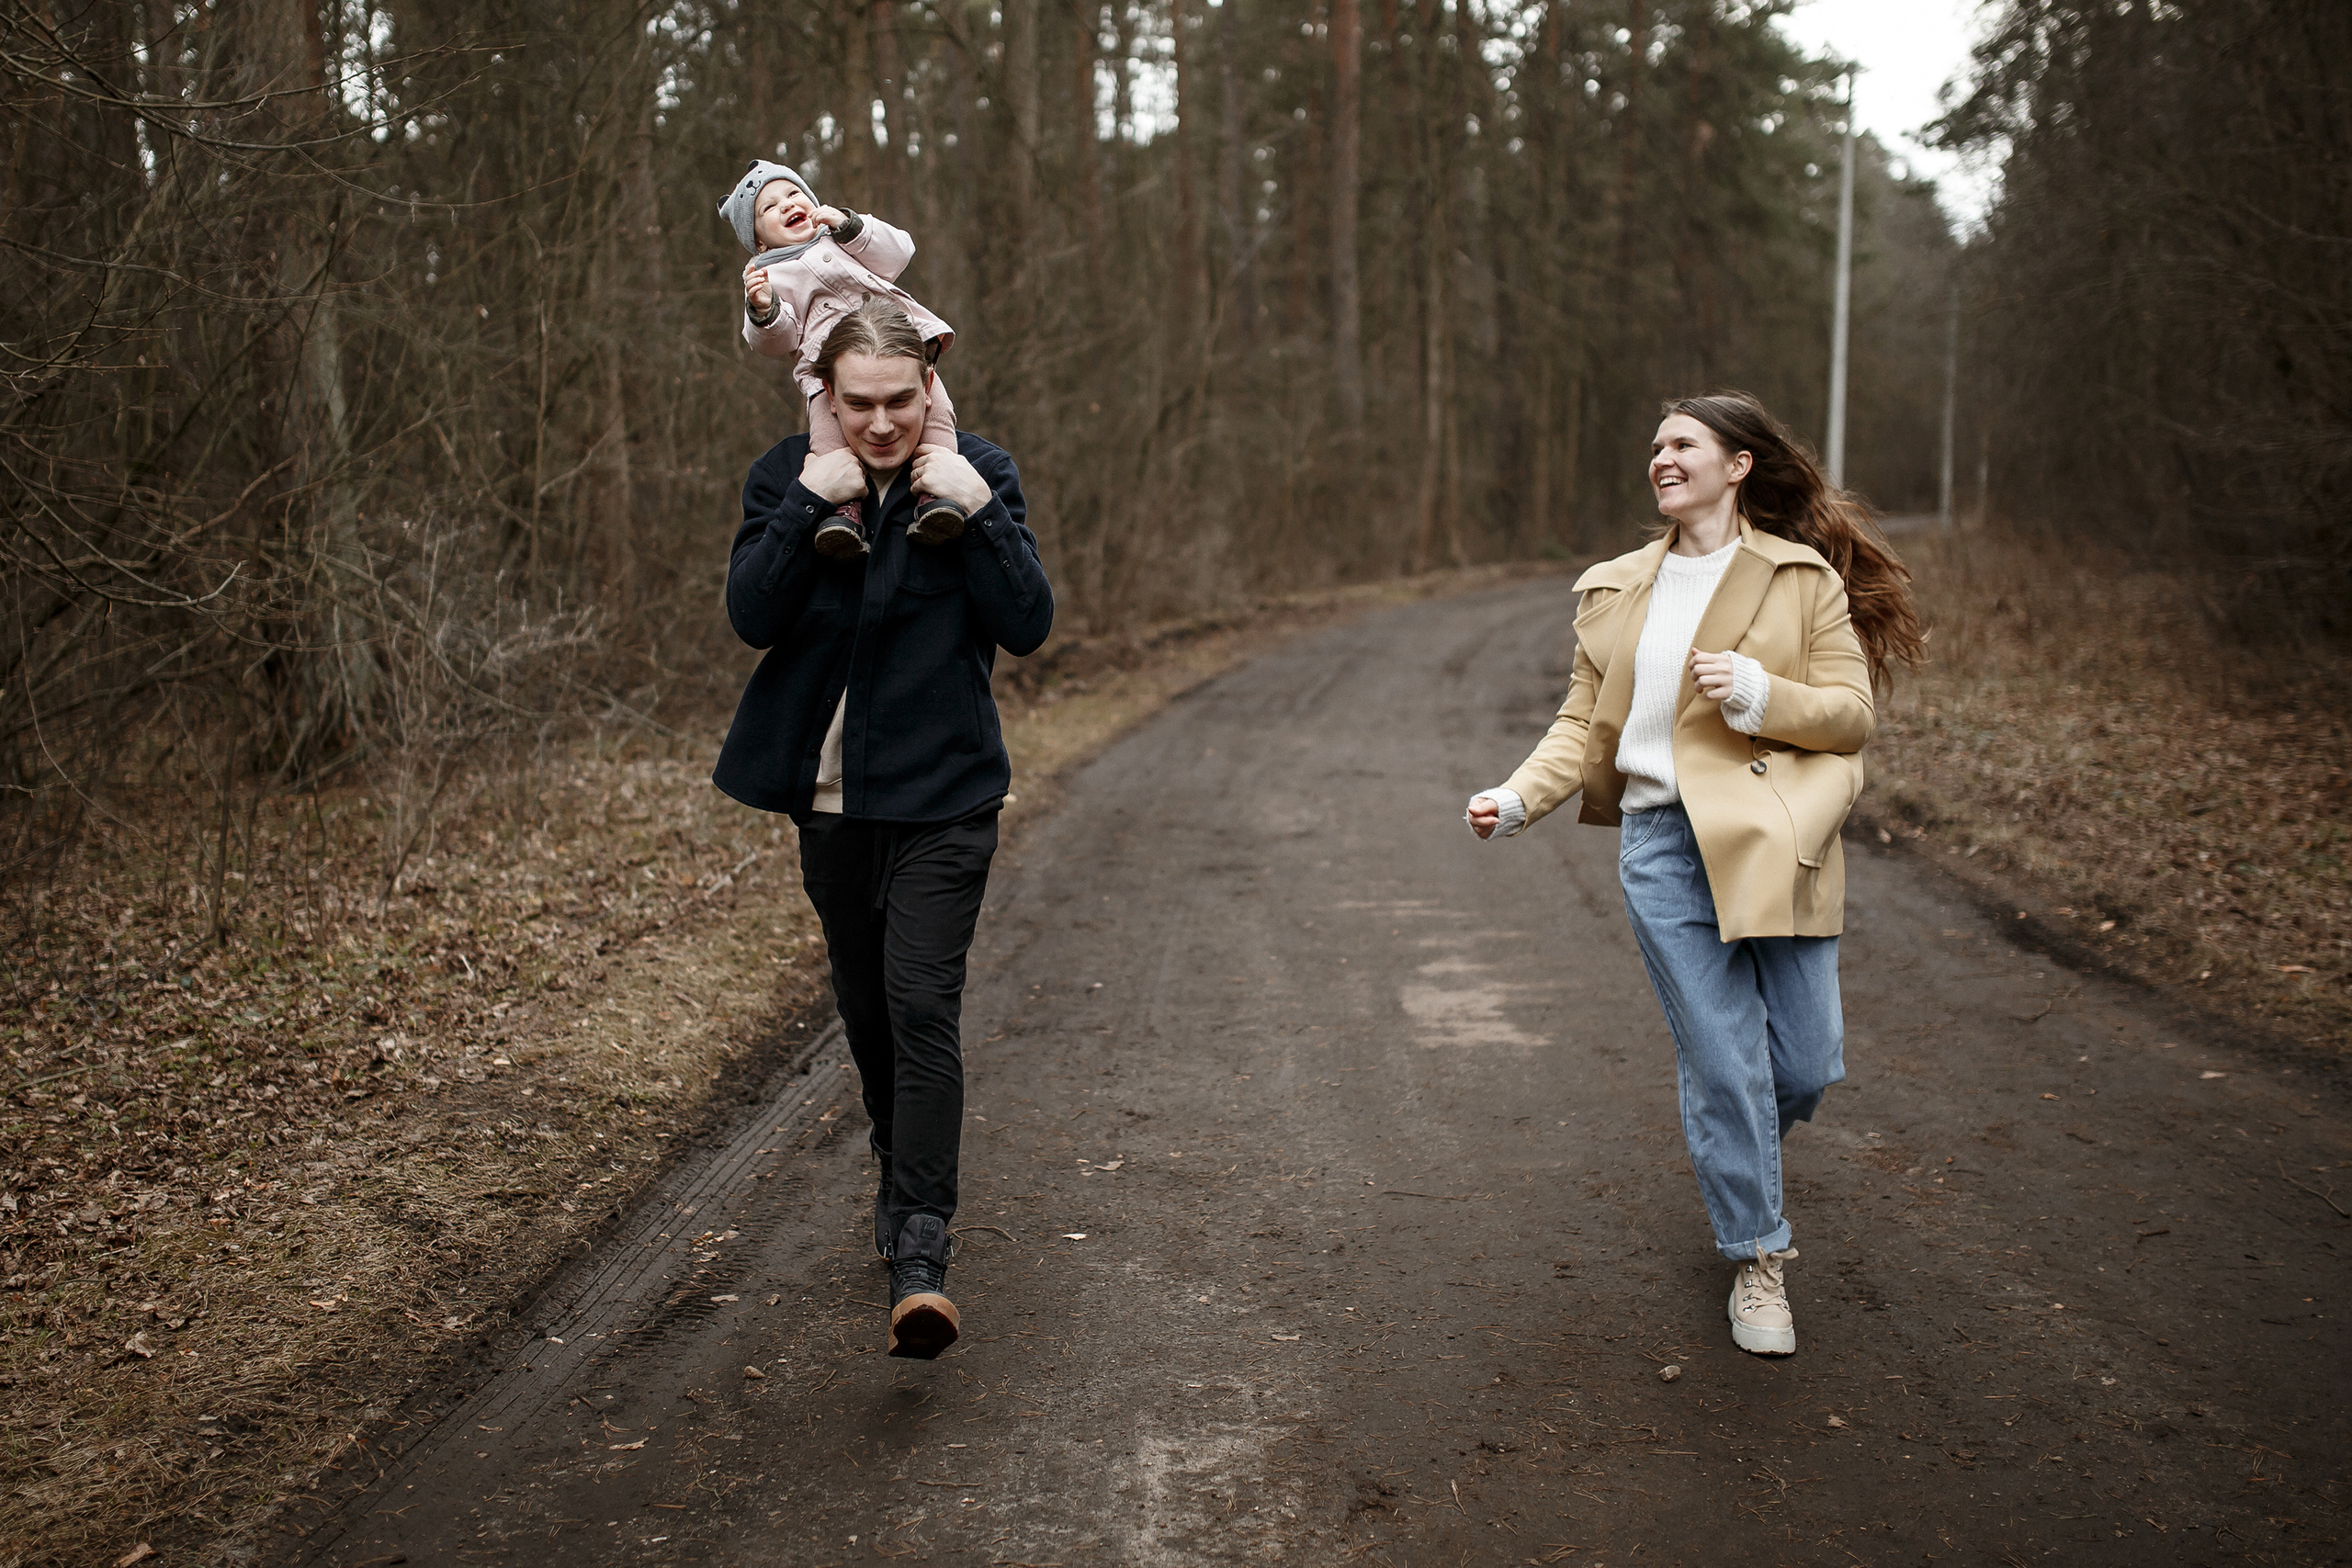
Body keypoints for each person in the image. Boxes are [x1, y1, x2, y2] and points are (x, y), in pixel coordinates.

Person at [1464, 390, 1923, 1357]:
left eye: (1683, 443)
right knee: (1722, 1059)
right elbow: (1581, 725)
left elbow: (1850, 716)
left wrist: (1760, 694)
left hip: (1772, 835)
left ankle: (1736, 1146)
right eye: (1655, 445)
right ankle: (1757, 1257)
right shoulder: (1614, 588)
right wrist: (1514, 798)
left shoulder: (1799, 580)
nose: (1661, 458)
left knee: (1803, 1064)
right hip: (1662, 845)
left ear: (1738, 464)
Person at [714, 297, 1053, 1359]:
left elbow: (1028, 625)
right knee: (864, 1011)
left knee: (919, 1005)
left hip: (946, 799)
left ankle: (920, 1250)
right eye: (857, 403)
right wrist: (802, 508)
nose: (879, 424)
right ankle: (895, 1160)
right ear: (827, 395)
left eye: (898, 401)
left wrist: (979, 510)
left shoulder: (976, 470)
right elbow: (752, 617)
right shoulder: (788, 477)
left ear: (929, 391)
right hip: (831, 805)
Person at [716, 159, 963, 558]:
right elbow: (777, 341)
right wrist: (763, 309)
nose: (785, 205)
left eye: (793, 194)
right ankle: (844, 514)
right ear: (759, 241)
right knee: (828, 443)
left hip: (902, 350)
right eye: (768, 208)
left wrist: (851, 225)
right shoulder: (768, 276)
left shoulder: (843, 238)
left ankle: (937, 497)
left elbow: (899, 253)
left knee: (937, 415)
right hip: (827, 376)